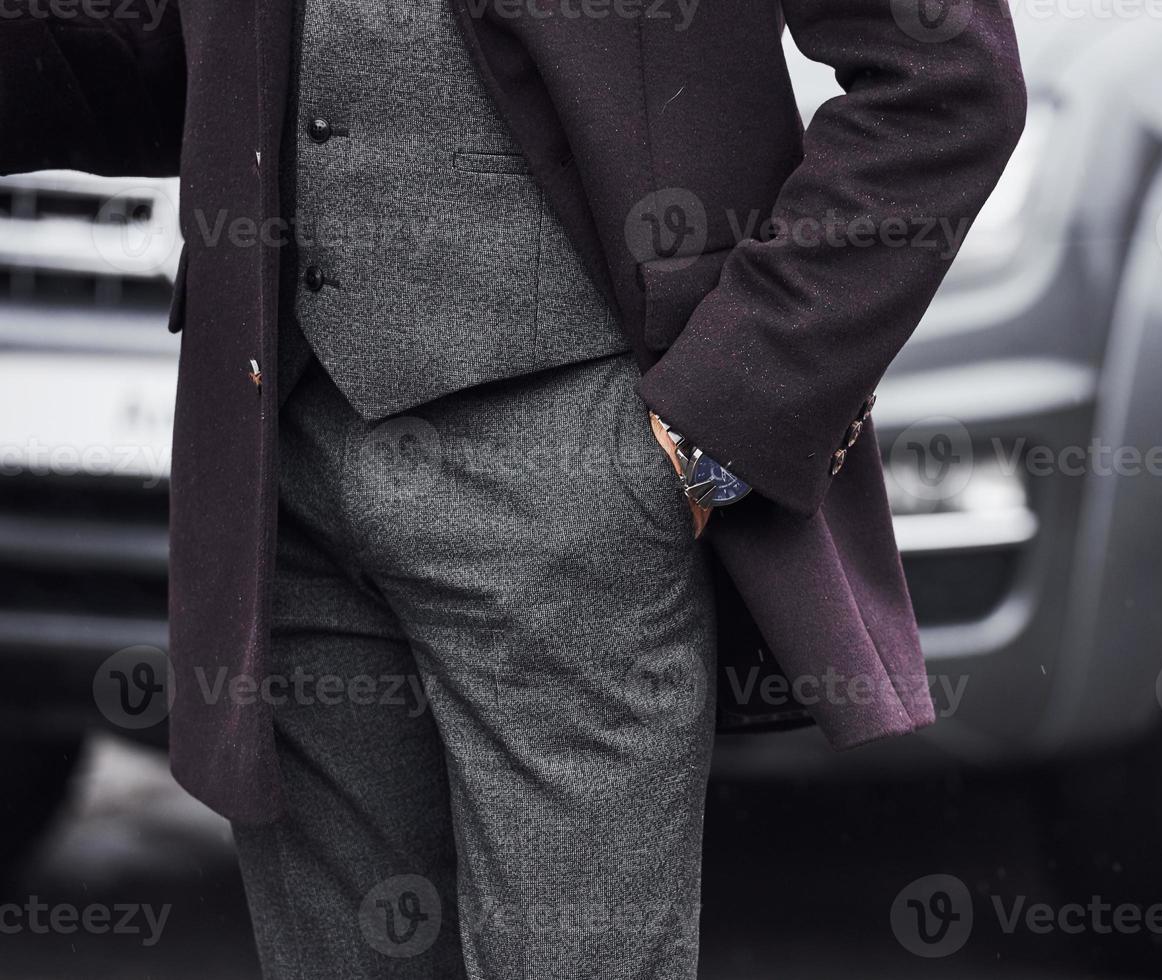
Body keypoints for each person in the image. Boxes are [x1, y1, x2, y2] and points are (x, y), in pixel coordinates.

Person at [0, 0, 1025, 975]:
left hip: (577, 489)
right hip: (288, 483)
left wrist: (717, 425)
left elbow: (944, 81)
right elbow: (168, 54)